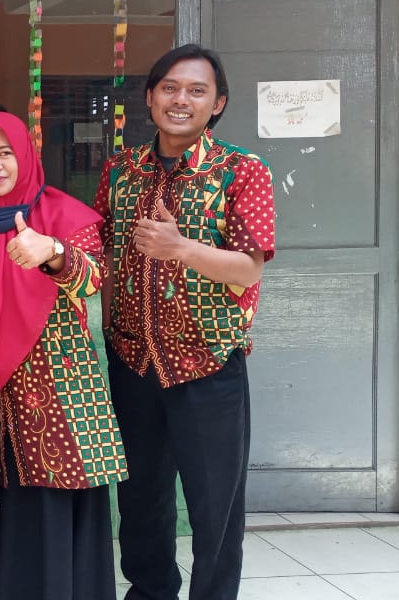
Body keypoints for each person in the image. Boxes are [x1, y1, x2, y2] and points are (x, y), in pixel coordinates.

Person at [94, 44, 275, 600]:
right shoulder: (121, 170)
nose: (181, 100)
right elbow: (101, 251)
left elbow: (248, 268)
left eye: (197, 91)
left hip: (208, 365)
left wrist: (181, 249)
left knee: (214, 506)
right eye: (170, 87)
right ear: (150, 97)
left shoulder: (242, 170)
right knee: (141, 501)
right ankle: (150, 593)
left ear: (217, 104)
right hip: (133, 363)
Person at [0, 112, 127, 600]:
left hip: (59, 394)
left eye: (5, 153)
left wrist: (52, 251)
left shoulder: (62, 214)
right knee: (7, 512)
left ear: (26, 155)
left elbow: (92, 278)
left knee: (57, 509)